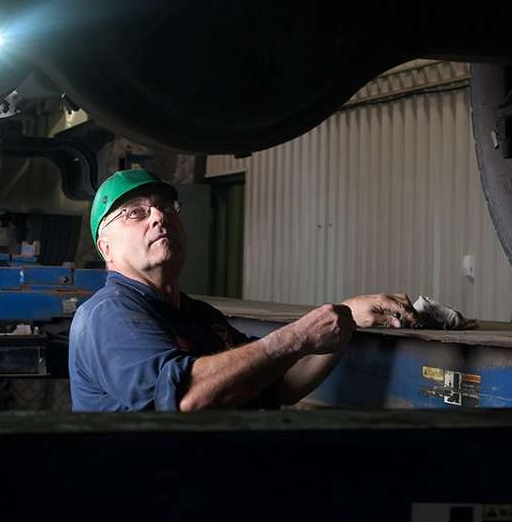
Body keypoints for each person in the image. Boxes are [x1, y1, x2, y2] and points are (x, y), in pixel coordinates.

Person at [68, 168, 419, 411]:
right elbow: (186, 397)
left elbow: (281, 384)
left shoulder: (198, 316)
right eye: (135, 213)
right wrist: (296, 336)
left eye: (164, 207)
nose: (158, 217)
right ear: (106, 247)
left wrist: (346, 319)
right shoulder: (109, 315)